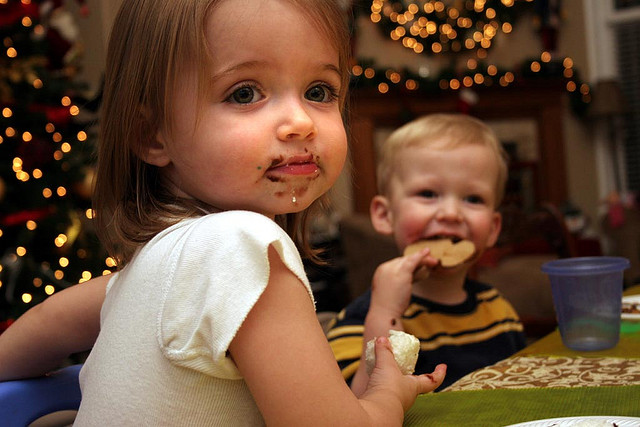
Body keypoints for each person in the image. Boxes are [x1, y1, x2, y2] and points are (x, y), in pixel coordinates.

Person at [0, 0, 447, 424]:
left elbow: (45, 324)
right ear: (153, 135)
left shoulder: (145, 271)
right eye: (244, 93)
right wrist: (388, 394)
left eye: (319, 91)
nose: (301, 122)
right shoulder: (242, 246)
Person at [326, 113, 526, 394]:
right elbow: (355, 409)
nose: (451, 213)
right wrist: (385, 313)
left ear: (493, 228)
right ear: (385, 215)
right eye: (428, 194)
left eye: (473, 199)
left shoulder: (498, 310)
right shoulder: (361, 319)